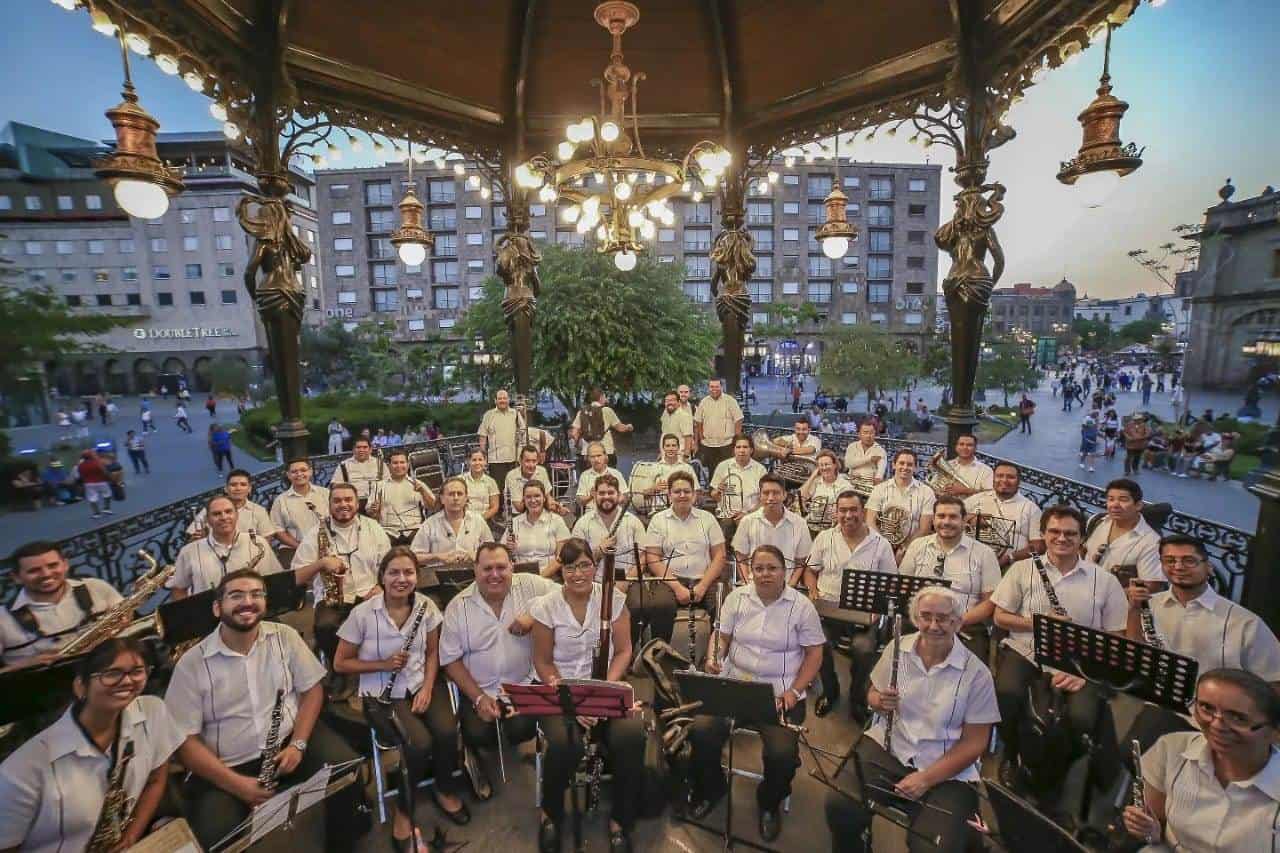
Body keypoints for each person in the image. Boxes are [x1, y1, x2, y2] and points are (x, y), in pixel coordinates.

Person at [164, 569, 363, 852]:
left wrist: (298, 743)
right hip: (227, 766)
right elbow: (185, 742)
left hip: (289, 744)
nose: (248, 602)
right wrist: (236, 784)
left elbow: (312, 690)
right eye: (236, 595)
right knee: (217, 838)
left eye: (256, 594)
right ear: (217, 607)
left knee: (347, 772)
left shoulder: (286, 636)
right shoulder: (191, 664)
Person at [826, 587, 1000, 853]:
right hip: (891, 747)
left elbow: (975, 743)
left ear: (957, 622)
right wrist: (878, 701)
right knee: (840, 804)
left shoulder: (977, 674)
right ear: (915, 618)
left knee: (933, 847)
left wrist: (926, 779)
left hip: (946, 769)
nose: (933, 625)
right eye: (925, 617)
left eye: (942, 618)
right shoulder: (898, 648)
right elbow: (872, 693)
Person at [0, 637, 188, 852]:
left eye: (137, 671)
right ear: (80, 687)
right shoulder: (22, 771)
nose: (127, 681)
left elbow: (156, 779)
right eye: (112, 674)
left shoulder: (153, 710)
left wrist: (131, 836)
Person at [690, 544, 824, 842]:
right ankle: (713, 788)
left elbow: (815, 655)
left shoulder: (801, 606)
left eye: (772, 568)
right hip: (735, 683)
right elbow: (721, 636)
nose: (765, 574)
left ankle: (769, 802)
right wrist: (715, 657)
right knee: (700, 731)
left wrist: (795, 691)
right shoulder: (737, 598)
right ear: (751, 571)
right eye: (759, 568)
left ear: (784, 572)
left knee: (782, 754)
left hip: (780, 692)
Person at [335, 547, 468, 841]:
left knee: (447, 731)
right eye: (394, 572)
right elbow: (340, 662)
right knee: (418, 743)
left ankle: (444, 787)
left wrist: (428, 687)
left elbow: (433, 653)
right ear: (382, 576)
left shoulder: (426, 607)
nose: (401, 578)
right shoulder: (362, 614)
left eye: (408, 572)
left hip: (421, 683)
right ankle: (404, 810)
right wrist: (381, 664)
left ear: (417, 577)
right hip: (382, 695)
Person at [990, 506, 1128, 789]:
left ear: (1082, 539)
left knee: (1081, 720)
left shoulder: (1105, 582)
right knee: (1005, 698)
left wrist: (1086, 670)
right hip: (1025, 649)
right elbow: (999, 617)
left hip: (1081, 661)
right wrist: (1039, 623)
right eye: (1054, 531)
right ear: (1043, 534)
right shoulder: (1022, 569)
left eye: (1070, 533)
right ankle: (1015, 755)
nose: (1061, 538)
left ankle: (1053, 774)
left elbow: (1117, 637)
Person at [530, 538, 644, 853]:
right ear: (561, 569)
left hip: (604, 687)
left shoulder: (614, 599)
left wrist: (602, 690)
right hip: (560, 691)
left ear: (594, 566)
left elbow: (624, 651)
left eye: (584, 565)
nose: (578, 573)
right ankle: (550, 813)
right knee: (565, 745)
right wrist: (572, 701)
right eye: (569, 567)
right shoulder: (546, 606)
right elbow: (542, 661)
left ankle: (620, 819)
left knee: (632, 736)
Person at [1123, 534, 1280, 749]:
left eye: (1189, 560)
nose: (1178, 567)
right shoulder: (1151, 605)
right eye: (1169, 561)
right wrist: (1133, 609)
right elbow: (1135, 652)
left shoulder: (1245, 623)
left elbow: (1274, 681)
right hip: (1167, 706)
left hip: (1222, 718)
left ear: (1209, 567)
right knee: (1130, 755)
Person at [1123, 669, 1280, 853]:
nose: (1216, 725)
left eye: (1237, 718)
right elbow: (1152, 832)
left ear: (1274, 732)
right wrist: (1149, 832)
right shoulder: (1171, 749)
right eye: (1207, 708)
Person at [439, 542, 550, 795]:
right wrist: (478, 698)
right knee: (477, 734)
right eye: (487, 568)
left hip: (523, 684)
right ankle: (474, 753)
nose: (495, 575)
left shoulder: (532, 585)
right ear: (475, 570)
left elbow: (567, 593)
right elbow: (450, 660)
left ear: (512, 567)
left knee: (522, 729)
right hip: (479, 690)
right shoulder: (458, 606)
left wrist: (534, 615)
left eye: (502, 567)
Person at [805, 490, 897, 719]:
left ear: (863, 512)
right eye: (843, 510)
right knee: (818, 644)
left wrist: (878, 610)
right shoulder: (824, 538)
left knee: (864, 649)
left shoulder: (881, 544)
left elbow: (890, 585)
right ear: (836, 512)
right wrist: (813, 590)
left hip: (864, 615)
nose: (848, 515)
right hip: (828, 610)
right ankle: (830, 691)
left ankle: (858, 697)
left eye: (853, 510)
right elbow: (810, 570)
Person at [292, 483, 393, 673]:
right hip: (333, 599)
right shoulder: (315, 533)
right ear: (329, 505)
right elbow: (296, 578)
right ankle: (339, 668)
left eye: (348, 499)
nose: (343, 504)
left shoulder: (373, 527)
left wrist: (382, 586)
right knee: (325, 626)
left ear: (357, 503)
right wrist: (320, 564)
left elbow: (389, 565)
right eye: (337, 500)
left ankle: (377, 665)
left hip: (370, 593)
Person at [899, 497, 1001, 661]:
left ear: (963, 520)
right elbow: (902, 587)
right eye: (941, 516)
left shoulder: (984, 553)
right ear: (933, 520)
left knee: (970, 673)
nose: (946, 522)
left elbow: (990, 603)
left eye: (953, 517)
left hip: (965, 625)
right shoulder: (917, 545)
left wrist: (957, 622)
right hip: (919, 622)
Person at [0, 540, 124, 671]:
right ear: (16, 577)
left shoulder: (96, 587)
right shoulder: (3, 618)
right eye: (34, 571)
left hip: (111, 667)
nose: (46, 574)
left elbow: (126, 616)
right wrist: (24, 665)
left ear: (65, 565)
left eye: (53, 565)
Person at [642, 470, 726, 643]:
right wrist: (677, 588)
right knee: (660, 606)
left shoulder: (708, 519)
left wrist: (702, 586)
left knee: (724, 606)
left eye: (687, 491)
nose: (682, 495)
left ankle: (716, 659)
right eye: (677, 491)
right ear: (669, 494)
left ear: (694, 494)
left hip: (705, 579)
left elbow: (720, 556)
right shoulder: (658, 520)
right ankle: (659, 658)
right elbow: (653, 559)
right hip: (671, 580)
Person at [169, 495, 283, 598]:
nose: (224, 517)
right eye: (216, 514)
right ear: (207, 520)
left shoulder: (258, 543)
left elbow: (276, 579)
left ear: (237, 515)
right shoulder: (189, 551)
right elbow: (178, 589)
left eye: (228, 512)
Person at [731, 474, 813, 585]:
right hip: (754, 585)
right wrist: (747, 584)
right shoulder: (747, 521)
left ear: (784, 495)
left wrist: (792, 585)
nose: (770, 498)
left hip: (786, 586)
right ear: (760, 496)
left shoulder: (799, 523)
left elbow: (801, 561)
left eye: (776, 493)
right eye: (766, 493)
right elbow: (741, 557)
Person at [963, 462, 1044, 569]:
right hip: (969, 560)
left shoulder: (1031, 509)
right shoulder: (977, 499)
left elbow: (1039, 546)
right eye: (999, 476)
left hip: (1010, 567)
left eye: (1010, 477)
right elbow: (951, 515)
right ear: (993, 479)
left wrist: (1010, 558)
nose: (1004, 480)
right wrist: (972, 518)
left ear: (1019, 481)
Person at [1083, 478, 1163, 583]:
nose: (1115, 505)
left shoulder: (1152, 542)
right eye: (1111, 499)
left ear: (1138, 505)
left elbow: (1151, 584)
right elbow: (1084, 550)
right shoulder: (1097, 521)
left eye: (1123, 500)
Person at [571, 473, 647, 583]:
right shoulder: (582, 524)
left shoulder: (634, 522)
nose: (606, 496)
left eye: (611, 493)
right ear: (594, 494)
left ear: (619, 495)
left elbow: (643, 558)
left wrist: (625, 583)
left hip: (629, 581)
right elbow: (575, 561)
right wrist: (599, 551)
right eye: (601, 493)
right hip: (594, 583)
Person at [866, 449, 936, 560]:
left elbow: (925, 529)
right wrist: (884, 547)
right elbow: (870, 521)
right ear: (894, 465)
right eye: (901, 463)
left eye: (910, 464)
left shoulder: (927, 492)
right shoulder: (879, 489)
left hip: (914, 549)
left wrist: (904, 549)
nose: (905, 467)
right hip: (880, 546)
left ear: (915, 468)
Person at [410, 477, 494, 566]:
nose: (456, 498)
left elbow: (492, 551)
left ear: (466, 498)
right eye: (451, 494)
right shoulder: (429, 524)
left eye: (460, 494)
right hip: (439, 576)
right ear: (442, 498)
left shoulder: (477, 520)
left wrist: (476, 555)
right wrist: (437, 557)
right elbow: (413, 557)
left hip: (474, 574)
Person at [372, 449, 438, 546]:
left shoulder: (418, 484)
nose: (399, 466)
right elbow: (372, 515)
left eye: (402, 462)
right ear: (388, 465)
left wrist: (423, 492)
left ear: (407, 464)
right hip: (388, 531)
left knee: (429, 538)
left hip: (415, 529)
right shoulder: (379, 486)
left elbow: (434, 507)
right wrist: (374, 511)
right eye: (395, 463)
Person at [187, 468, 277, 540]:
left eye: (243, 484)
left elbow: (266, 540)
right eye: (233, 485)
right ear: (226, 489)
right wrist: (197, 538)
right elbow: (193, 538)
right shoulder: (210, 509)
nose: (238, 488)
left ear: (249, 489)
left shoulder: (259, 511)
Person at [507, 480, 572, 575]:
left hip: (550, 577)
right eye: (528, 497)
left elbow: (560, 557)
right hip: (521, 577)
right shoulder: (514, 523)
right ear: (523, 500)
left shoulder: (556, 520)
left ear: (544, 498)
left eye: (537, 496)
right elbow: (504, 556)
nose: (533, 500)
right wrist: (508, 548)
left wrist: (541, 577)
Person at [270, 458, 331, 550]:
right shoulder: (280, 501)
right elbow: (278, 530)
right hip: (294, 548)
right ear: (288, 475)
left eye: (303, 470)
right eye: (294, 472)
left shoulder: (326, 493)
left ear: (310, 471)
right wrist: (300, 547)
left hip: (328, 545)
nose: (299, 474)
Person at [570, 387, 634, 470]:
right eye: (604, 397)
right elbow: (620, 428)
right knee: (608, 478)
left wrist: (577, 445)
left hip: (588, 452)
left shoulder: (581, 412)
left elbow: (574, 433)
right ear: (601, 397)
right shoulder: (607, 410)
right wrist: (628, 427)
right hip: (606, 451)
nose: (605, 399)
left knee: (589, 478)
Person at [709, 435, 768, 520]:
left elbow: (764, 499)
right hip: (727, 515)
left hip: (752, 516)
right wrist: (718, 491)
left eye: (745, 447)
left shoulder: (760, 470)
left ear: (751, 450)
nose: (741, 450)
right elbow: (714, 496)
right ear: (734, 450)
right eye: (738, 447)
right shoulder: (723, 466)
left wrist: (748, 514)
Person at [694, 378, 744, 475]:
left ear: (721, 387)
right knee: (712, 471)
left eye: (717, 386)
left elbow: (738, 420)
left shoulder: (730, 401)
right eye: (712, 387)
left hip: (727, 444)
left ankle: (728, 490)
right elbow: (698, 421)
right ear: (708, 388)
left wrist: (736, 439)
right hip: (709, 444)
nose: (714, 389)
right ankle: (712, 489)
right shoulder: (703, 402)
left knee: (728, 471)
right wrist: (700, 436)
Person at [331, 437, 390, 513]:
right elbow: (335, 485)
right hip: (354, 504)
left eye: (365, 447)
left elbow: (388, 483)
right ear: (353, 450)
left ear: (370, 449)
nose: (361, 450)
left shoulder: (380, 464)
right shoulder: (344, 465)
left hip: (377, 504)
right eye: (358, 447)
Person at [799, 450, 855, 528]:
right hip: (811, 523)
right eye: (821, 465)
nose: (824, 468)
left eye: (827, 464)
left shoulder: (845, 486)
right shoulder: (817, 481)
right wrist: (813, 476)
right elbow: (799, 497)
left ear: (835, 465)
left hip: (833, 527)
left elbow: (849, 512)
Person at [478, 390, 521, 490]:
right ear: (495, 400)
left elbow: (523, 432)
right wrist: (483, 457)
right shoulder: (488, 415)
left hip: (514, 458)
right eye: (500, 398)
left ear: (508, 400)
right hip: (496, 460)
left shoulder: (515, 413)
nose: (502, 400)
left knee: (515, 488)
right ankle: (500, 506)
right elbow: (482, 436)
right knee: (498, 489)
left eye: (505, 398)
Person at [503, 445, 559, 515]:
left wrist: (557, 507)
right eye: (527, 461)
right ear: (520, 461)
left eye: (534, 461)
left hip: (539, 510)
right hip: (518, 515)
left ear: (537, 461)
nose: (531, 465)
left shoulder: (542, 471)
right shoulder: (511, 476)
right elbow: (519, 508)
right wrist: (540, 500)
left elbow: (547, 496)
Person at [576, 441, 629, 509]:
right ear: (588, 458)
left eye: (599, 455)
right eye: (592, 457)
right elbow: (580, 501)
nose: (596, 459)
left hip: (614, 513)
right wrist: (591, 496)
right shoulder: (585, 475)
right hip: (592, 514)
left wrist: (613, 499)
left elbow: (626, 495)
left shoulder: (616, 473)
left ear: (605, 456)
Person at [843, 421, 886, 486]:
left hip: (869, 486)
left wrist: (878, 478)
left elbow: (880, 471)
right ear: (859, 434)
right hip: (851, 483)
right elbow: (848, 464)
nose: (868, 436)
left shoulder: (880, 450)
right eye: (865, 432)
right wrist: (869, 459)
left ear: (875, 434)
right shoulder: (852, 446)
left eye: (871, 433)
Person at [462, 449, 501, 521]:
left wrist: (480, 520)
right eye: (474, 460)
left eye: (480, 460)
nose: (477, 463)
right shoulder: (460, 480)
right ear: (468, 462)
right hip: (464, 520)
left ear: (485, 462)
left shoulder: (491, 482)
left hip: (484, 520)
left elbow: (495, 507)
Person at [77, 449, 113, 519]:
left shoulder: (81, 465)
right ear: (91, 456)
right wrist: (110, 478)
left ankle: (96, 513)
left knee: (92, 498)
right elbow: (104, 472)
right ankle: (106, 508)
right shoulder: (97, 462)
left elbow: (81, 475)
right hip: (101, 481)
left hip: (89, 484)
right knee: (107, 494)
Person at [659, 390, 695, 460]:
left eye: (672, 400)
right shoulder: (665, 414)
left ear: (678, 402)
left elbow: (688, 437)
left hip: (680, 456)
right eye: (667, 401)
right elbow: (664, 433)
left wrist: (686, 456)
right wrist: (661, 453)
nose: (669, 403)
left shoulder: (684, 416)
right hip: (665, 455)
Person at [1122, 412, 1152, 477]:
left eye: (1139, 419)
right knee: (1128, 458)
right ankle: (1127, 471)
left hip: (1140, 445)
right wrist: (1128, 437)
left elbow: (1147, 434)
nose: (1137, 420)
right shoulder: (1129, 424)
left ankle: (1135, 469)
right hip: (1130, 444)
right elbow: (1124, 432)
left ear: (1141, 419)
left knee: (1137, 458)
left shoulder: (1145, 425)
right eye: (1136, 419)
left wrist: (1138, 438)